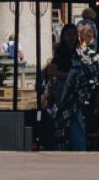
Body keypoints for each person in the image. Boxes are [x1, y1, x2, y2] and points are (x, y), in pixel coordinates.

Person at [39, 23, 92, 151]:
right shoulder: (62, 53)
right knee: (73, 121)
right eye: (69, 34)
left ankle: (73, 146)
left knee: (73, 121)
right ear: (63, 36)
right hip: (66, 93)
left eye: (74, 34)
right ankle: (78, 147)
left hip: (75, 93)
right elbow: (51, 71)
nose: (72, 37)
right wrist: (69, 75)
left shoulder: (76, 52)